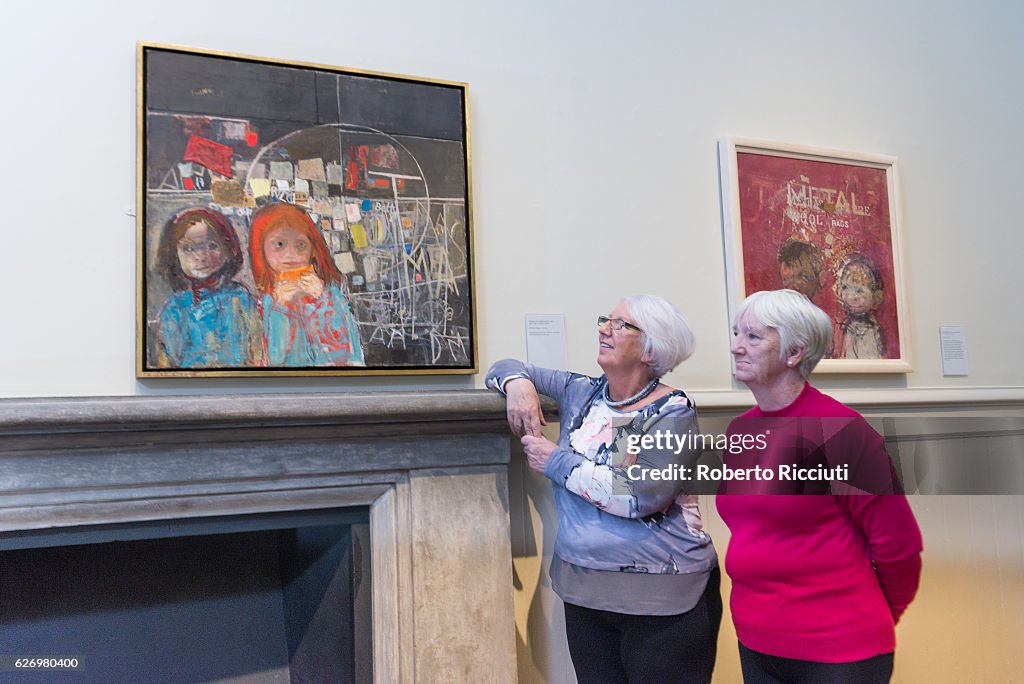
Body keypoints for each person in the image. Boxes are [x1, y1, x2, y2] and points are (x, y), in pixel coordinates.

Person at [487, 295, 720, 684]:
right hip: (585, 594)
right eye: (605, 320)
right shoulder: (581, 391)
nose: (604, 329)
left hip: (663, 603)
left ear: (651, 349)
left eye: (621, 324)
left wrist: (556, 462)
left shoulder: (672, 411)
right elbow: (504, 366)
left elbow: (642, 496)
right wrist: (517, 385)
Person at [720, 289, 922, 683]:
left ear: (794, 353)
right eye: (736, 334)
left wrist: (879, 616)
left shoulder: (841, 431)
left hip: (839, 648)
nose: (736, 347)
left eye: (753, 337)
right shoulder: (741, 430)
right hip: (757, 641)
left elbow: (900, 545)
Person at [248, 202, 364, 366]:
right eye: (279, 245)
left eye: (301, 244)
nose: (291, 254)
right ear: (261, 249)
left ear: (313, 249)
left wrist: (322, 301)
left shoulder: (330, 293)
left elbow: (345, 352)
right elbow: (275, 359)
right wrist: (280, 309)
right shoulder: (269, 299)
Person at [156, 207, 262, 368]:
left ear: (228, 249)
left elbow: (257, 349)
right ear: (174, 255)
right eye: (188, 249)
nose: (201, 257)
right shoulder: (175, 307)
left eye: (212, 246)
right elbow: (166, 362)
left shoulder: (240, 298)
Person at [835, 253, 886, 359]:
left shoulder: (868, 330)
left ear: (875, 297)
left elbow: (869, 363)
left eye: (859, 291)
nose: (851, 296)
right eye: (845, 288)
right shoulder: (846, 324)